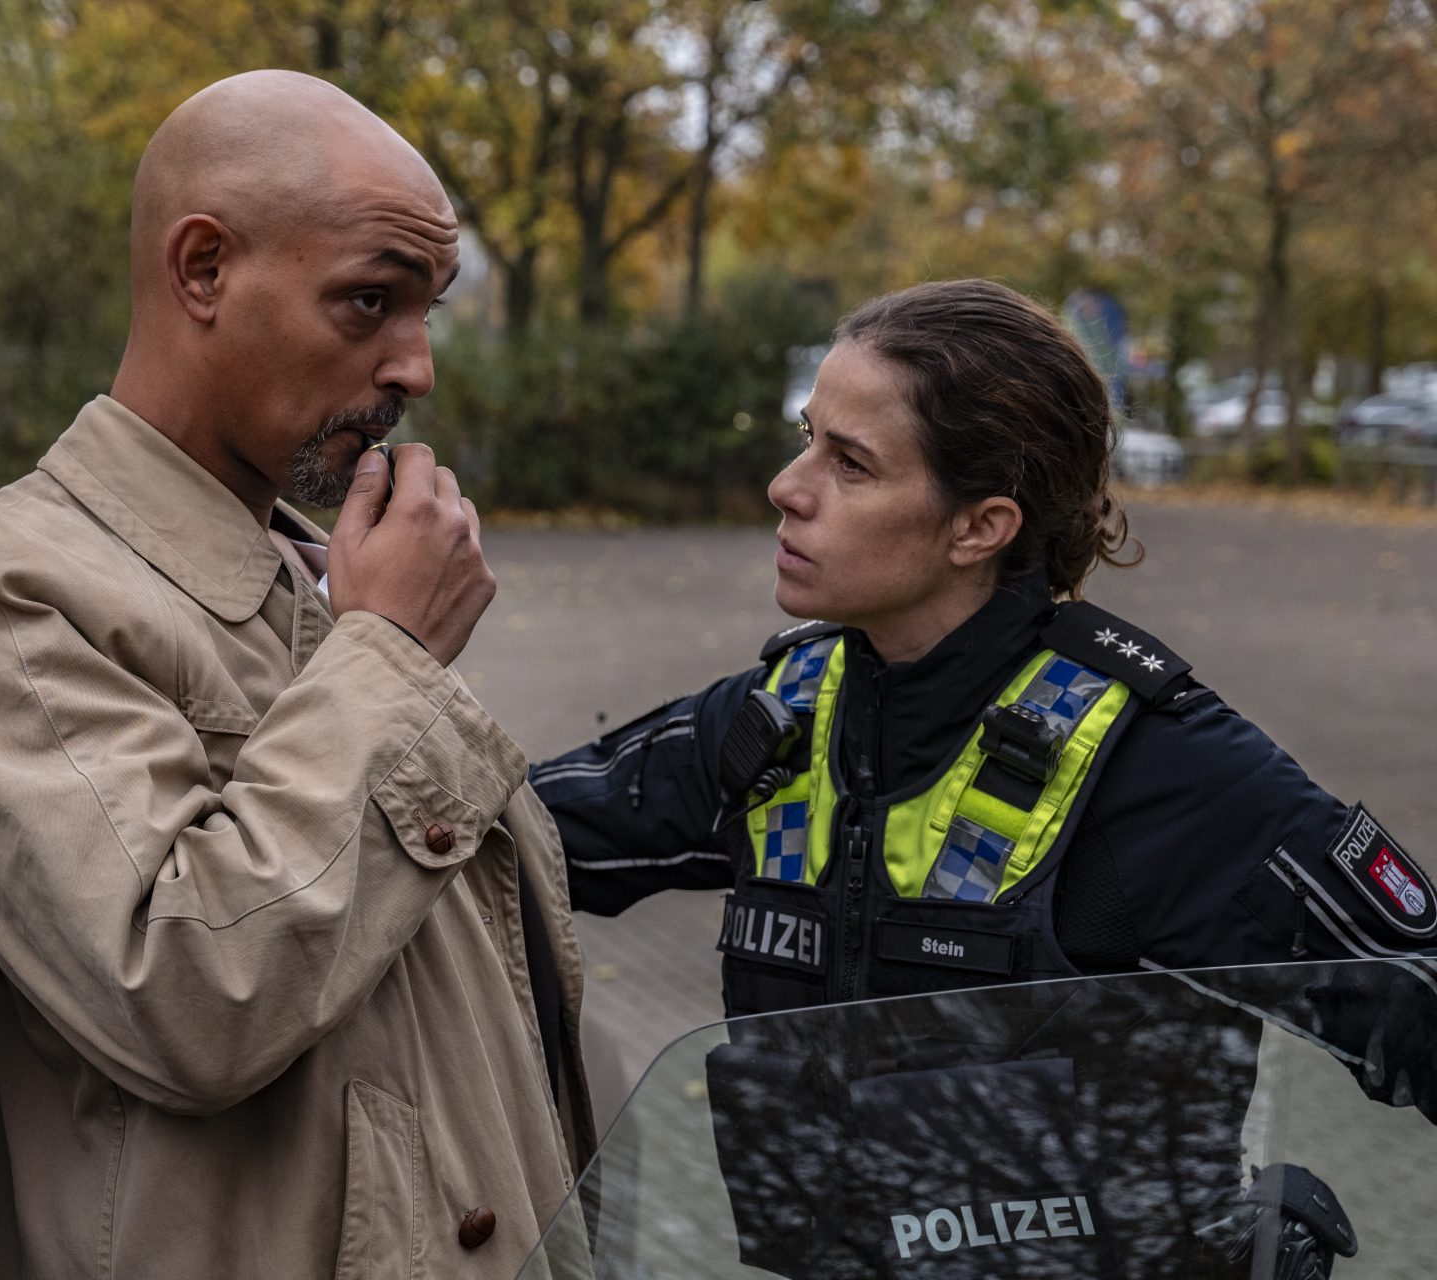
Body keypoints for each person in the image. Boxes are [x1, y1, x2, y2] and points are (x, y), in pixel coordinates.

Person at [533, 279, 1435, 1276]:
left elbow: (1415, 983)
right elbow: (492, 846)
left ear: (979, 527)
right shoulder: (776, 723)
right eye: (807, 438)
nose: (789, 486)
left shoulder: (1158, 763)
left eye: (851, 462)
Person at [0, 71, 593, 1279]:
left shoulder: (331, 577)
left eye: (427, 308)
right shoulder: (9, 593)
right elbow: (186, 991)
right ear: (203, 270)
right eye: (369, 301)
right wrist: (390, 656)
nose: (416, 365)